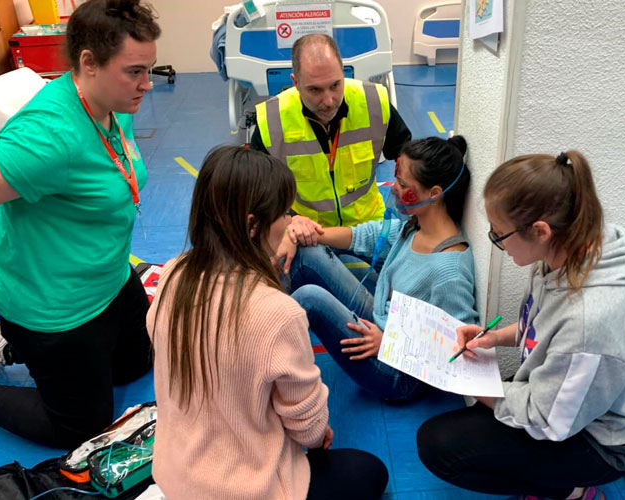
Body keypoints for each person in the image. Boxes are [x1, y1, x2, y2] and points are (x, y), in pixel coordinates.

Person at [0, 0, 160, 448]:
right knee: (79, 426)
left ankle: (10, 348)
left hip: (108, 281)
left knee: (136, 365)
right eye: (134, 71)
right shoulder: (50, 137)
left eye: (148, 69)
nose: (147, 85)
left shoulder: (111, 101)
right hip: (54, 309)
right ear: (88, 63)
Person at [416, 151, 625, 500]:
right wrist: (495, 337)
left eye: (498, 234)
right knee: (466, 421)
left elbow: (546, 419)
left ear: (540, 230)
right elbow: (544, 325)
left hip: (605, 440)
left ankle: (576, 491)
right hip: (580, 397)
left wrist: (471, 385)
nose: (496, 242)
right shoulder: (565, 248)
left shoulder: (590, 322)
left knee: (439, 447)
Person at [148, 146, 388, 500]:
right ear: (252, 225)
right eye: (285, 213)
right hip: (247, 488)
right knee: (370, 472)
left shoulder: (171, 274)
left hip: (173, 473)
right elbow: (309, 429)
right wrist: (318, 430)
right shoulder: (277, 312)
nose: (291, 222)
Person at [287, 136, 479, 401]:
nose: (394, 188)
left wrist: (391, 343)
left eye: (402, 183)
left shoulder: (449, 270)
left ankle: (259, 362)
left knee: (310, 297)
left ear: (434, 194)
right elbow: (366, 236)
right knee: (309, 253)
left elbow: (459, 345)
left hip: (397, 372)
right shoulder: (414, 227)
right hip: (382, 322)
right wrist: (304, 232)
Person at [251, 33, 412, 267]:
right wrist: (290, 219)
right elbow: (257, 192)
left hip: (369, 231)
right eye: (315, 90)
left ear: (344, 73)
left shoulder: (373, 102)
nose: (328, 101)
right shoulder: (272, 121)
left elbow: (408, 157)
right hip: (308, 235)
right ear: (295, 83)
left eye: (335, 85)